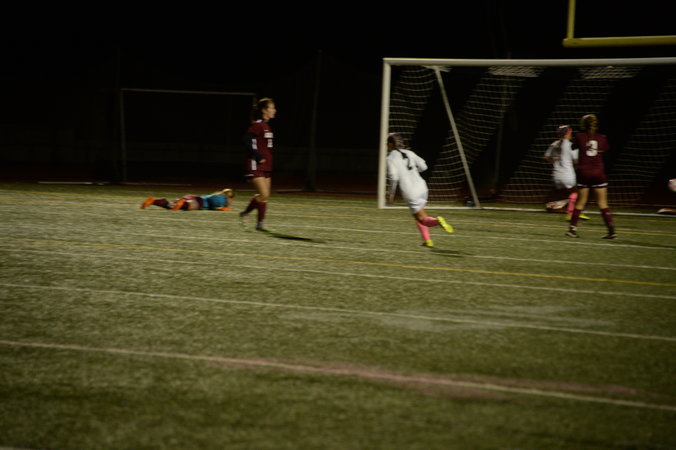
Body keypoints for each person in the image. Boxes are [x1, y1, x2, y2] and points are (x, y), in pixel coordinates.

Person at [386, 133, 454, 247]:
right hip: (422, 187)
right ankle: (427, 240)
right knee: (418, 215)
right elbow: (424, 166)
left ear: (390, 144)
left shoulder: (390, 158)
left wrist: (391, 195)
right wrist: (413, 172)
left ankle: (437, 221)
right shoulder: (410, 153)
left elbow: (393, 177)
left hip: (410, 191)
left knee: (422, 219)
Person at [566, 114, 616, 239]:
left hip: (584, 171)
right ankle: (611, 231)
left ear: (583, 124)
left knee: (581, 202)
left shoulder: (579, 136)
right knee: (602, 203)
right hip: (598, 171)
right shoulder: (602, 137)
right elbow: (605, 152)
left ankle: (572, 229)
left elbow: (573, 147)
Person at [239, 98, 276, 231]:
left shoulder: (266, 125)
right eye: (272, 108)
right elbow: (246, 139)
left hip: (266, 165)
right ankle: (247, 213)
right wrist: (257, 155)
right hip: (256, 164)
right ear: (264, 110)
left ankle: (260, 223)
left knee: (265, 196)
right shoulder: (258, 125)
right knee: (263, 194)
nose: (274, 110)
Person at [543, 125, 589, 221]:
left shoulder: (554, 144)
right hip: (567, 175)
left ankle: (554, 205)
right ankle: (572, 213)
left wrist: (556, 162)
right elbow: (576, 161)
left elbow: (546, 157)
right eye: (571, 132)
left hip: (556, 175)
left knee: (565, 193)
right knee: (579, 193)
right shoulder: (571, 145)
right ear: (568, 133)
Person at [140, 188, 235, 211]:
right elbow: (212, 201)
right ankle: (183, 203)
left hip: (191, 197)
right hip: (199, 201)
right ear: (230, 198)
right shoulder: (222, 198)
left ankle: (154, 201)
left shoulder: (219, 195)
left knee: (171, 206)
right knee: (189, 206)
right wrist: (219, 208)